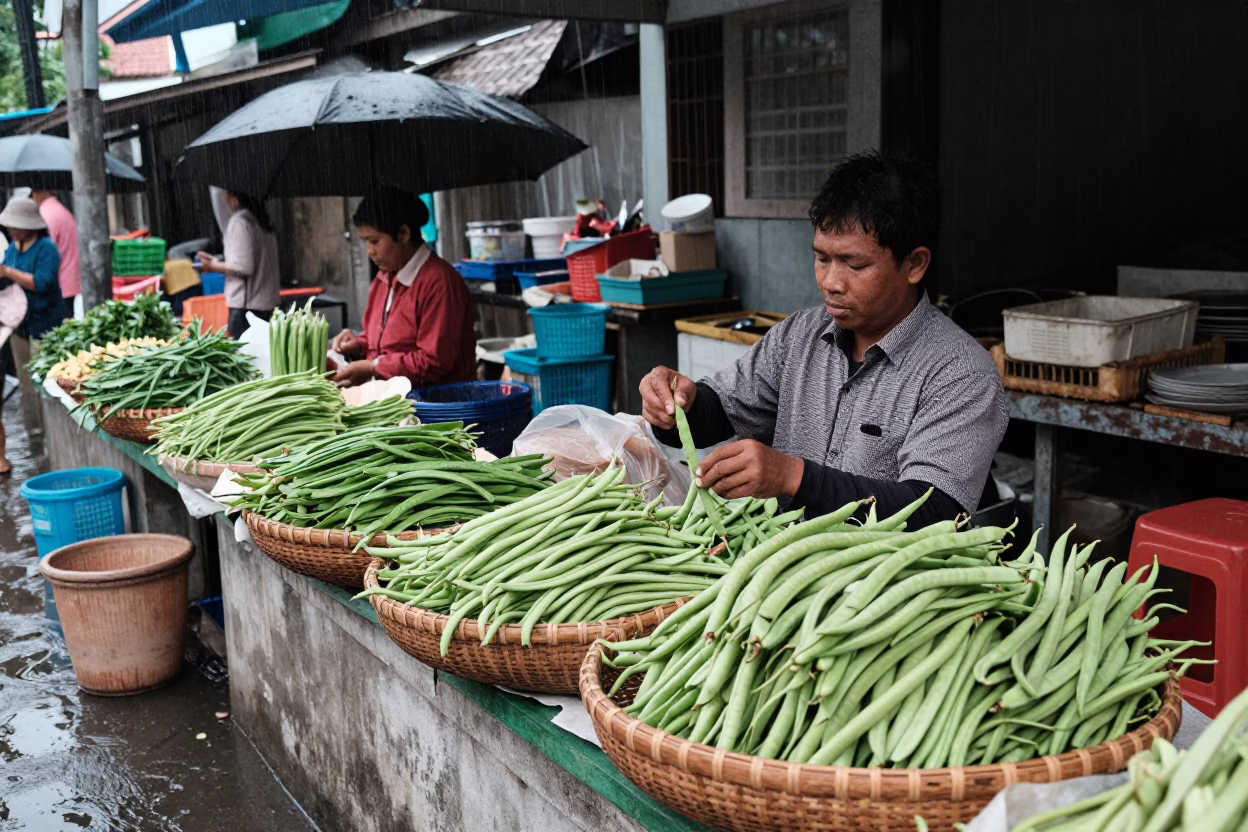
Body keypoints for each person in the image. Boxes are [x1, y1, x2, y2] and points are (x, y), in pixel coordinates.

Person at [640, 150, 1007, 526]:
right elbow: (719, 412)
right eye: (822, 259)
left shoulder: (962, 374)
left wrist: (791, 476)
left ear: (914, 264)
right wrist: (677, 406)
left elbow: (935, 512)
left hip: (883, 578)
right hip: (781, 563)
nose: (831, 282)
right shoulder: (799, 336)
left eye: (855, 264)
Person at [330, 188, 475, 389]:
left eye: (375, 241)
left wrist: (374, 367)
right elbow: (382, 344)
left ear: (404, 234)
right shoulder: (382, 280)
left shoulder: (440, 283)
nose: (369, 251)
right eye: (365, 242)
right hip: (391, 400)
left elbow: (434, 362)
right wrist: (358, 345)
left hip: (436, 408)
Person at [0, 196, 66, 474]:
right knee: (26, 384)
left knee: (44, 384)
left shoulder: (46, 247)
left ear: (30, 226)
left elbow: (41, 282)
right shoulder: (15, 247)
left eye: (16, 226)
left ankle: (52, 438)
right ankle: (35, 437)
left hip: (44, 324)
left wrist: (9, 272)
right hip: (19, 325)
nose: (12, 231)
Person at [196, 191, 281, 337]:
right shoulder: (261, 221)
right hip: (267, 304)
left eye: (225, 194)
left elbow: (243, 267)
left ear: (235, 198)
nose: (223, 200)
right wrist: (216, 262)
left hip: (247, 308)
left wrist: (210, 267)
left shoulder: (240, 222)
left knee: (246, 355)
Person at [30, 188, 80, 308]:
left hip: (57, 285)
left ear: (37, 194)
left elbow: (44, 254)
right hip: (68, 281)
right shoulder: (60, 210)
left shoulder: (45, 215)